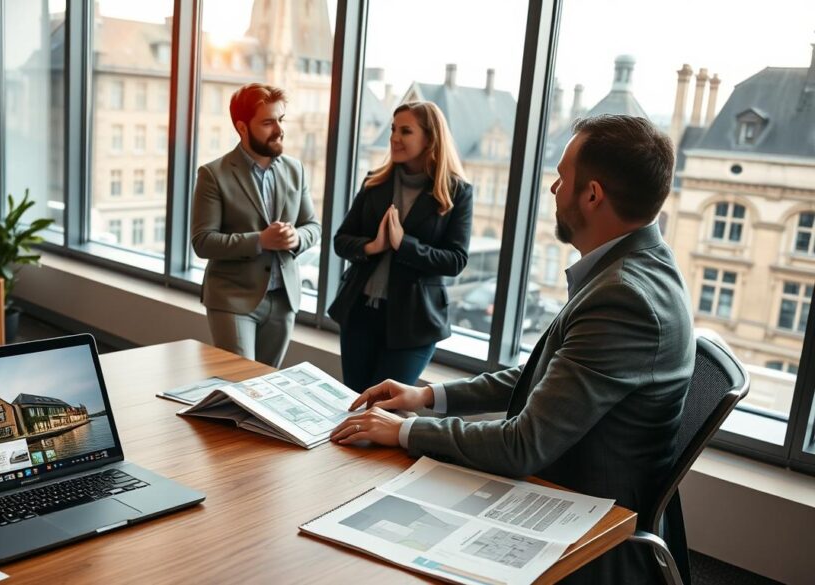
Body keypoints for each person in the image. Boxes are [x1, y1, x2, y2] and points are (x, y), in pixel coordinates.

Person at [331, 115, 694, 585]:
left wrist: (405, 431)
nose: (554, 189)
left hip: (580, 515)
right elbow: (543, 376)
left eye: (563, 178)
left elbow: (522, 446)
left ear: (592, 195)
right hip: (568, 481)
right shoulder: (637, 266)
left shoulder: (623, 296)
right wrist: (428, 398)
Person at [328, 101, 472, 393]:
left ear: (430, 138)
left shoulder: (457, 192)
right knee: (353, 405)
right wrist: (374, 246)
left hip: (413, 323)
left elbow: (455, 260)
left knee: (382, 410)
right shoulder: (374, 182)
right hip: (360, 315)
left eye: (405, 131)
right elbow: (341, 241)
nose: (394, 137)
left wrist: (403, 245)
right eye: (393, 129)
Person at [191, 83, 321, 368]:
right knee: (240, 386)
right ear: (242, 127)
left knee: (266, 388)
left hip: (284, 299)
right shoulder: (213, 174)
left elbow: (312, 226)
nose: (279, 129)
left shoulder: (295, 169)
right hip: (233, 299)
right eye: (267, 122)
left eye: (280, 119)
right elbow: (202, 241)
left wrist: (295, 238)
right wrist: (260, 240)